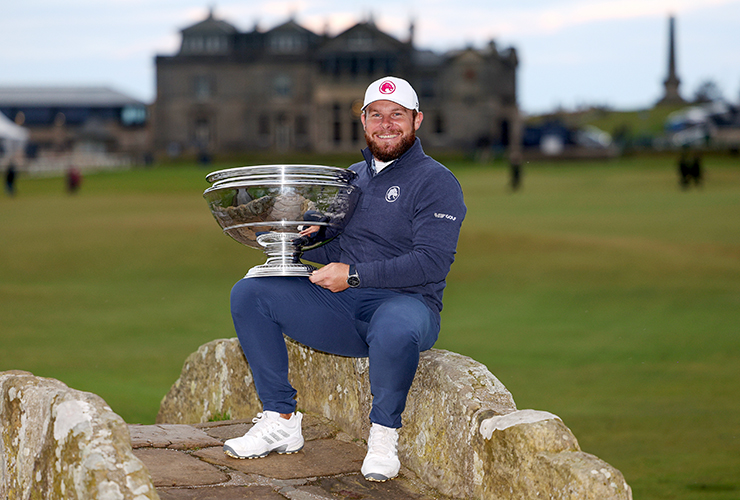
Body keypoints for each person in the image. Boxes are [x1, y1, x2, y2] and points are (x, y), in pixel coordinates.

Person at [224, 76, 466, 482]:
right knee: (250, 293)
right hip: (340, 309)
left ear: (417, 120)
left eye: (397, 116)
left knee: (395, 326)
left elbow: (432, 262)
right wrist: (302, 241)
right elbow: (337, 248)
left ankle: (384, 436)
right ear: (364, 121)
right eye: (376, 115)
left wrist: (353, 275)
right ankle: (280, 419)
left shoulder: (436, 181)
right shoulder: (353, 176)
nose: (386, 124)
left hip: (405, 306)